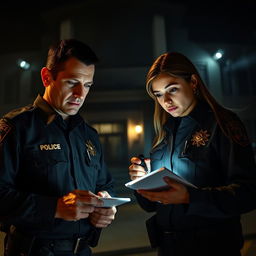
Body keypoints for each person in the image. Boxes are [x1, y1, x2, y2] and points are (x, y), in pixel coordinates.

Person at [128, 52, 256, 256]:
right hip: (168, 248)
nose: (166, 100)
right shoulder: (164, 132)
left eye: (173, 89)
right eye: (158, 94)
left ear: (193, 82)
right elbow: (150, 206)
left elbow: (248, 193)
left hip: (213, 247)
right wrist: (141, 182)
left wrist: (191, 197)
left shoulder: (222, 124)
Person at [0, 38, 117, 256]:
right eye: (72, 82)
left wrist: (107, 206)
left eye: (88, 85)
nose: (81, 94)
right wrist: (54, 207)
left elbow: (106, 183)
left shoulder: (88, 134)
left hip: (82, 250)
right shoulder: (16, 128)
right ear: (47, 77)